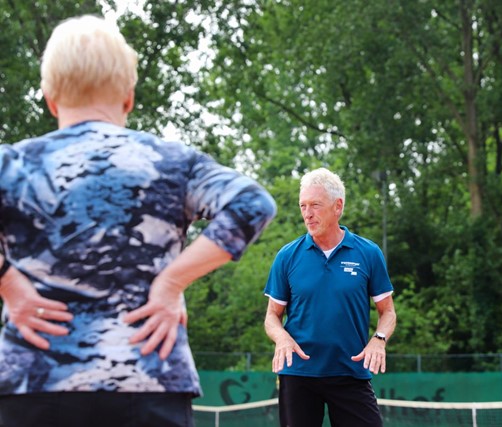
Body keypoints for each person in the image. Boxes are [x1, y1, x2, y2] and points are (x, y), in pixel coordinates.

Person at [0, 15, 276, 427]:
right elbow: (252, 203)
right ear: (128, 97)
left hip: (34, 380)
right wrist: (171, 282)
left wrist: (11, 284)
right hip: (150, 376)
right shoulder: (172, 163)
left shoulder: (14, 164)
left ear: (49, 97)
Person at [263, 167, 396, 427]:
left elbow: (387, 312)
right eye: (303, 206)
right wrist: (281, 338)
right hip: (298, 373)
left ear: (338, 206)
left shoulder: (368, 253)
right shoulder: (287, 256)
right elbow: (272, 316)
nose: (307, 214)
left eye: (315, 205)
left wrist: (379, 340)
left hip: (350, 373)